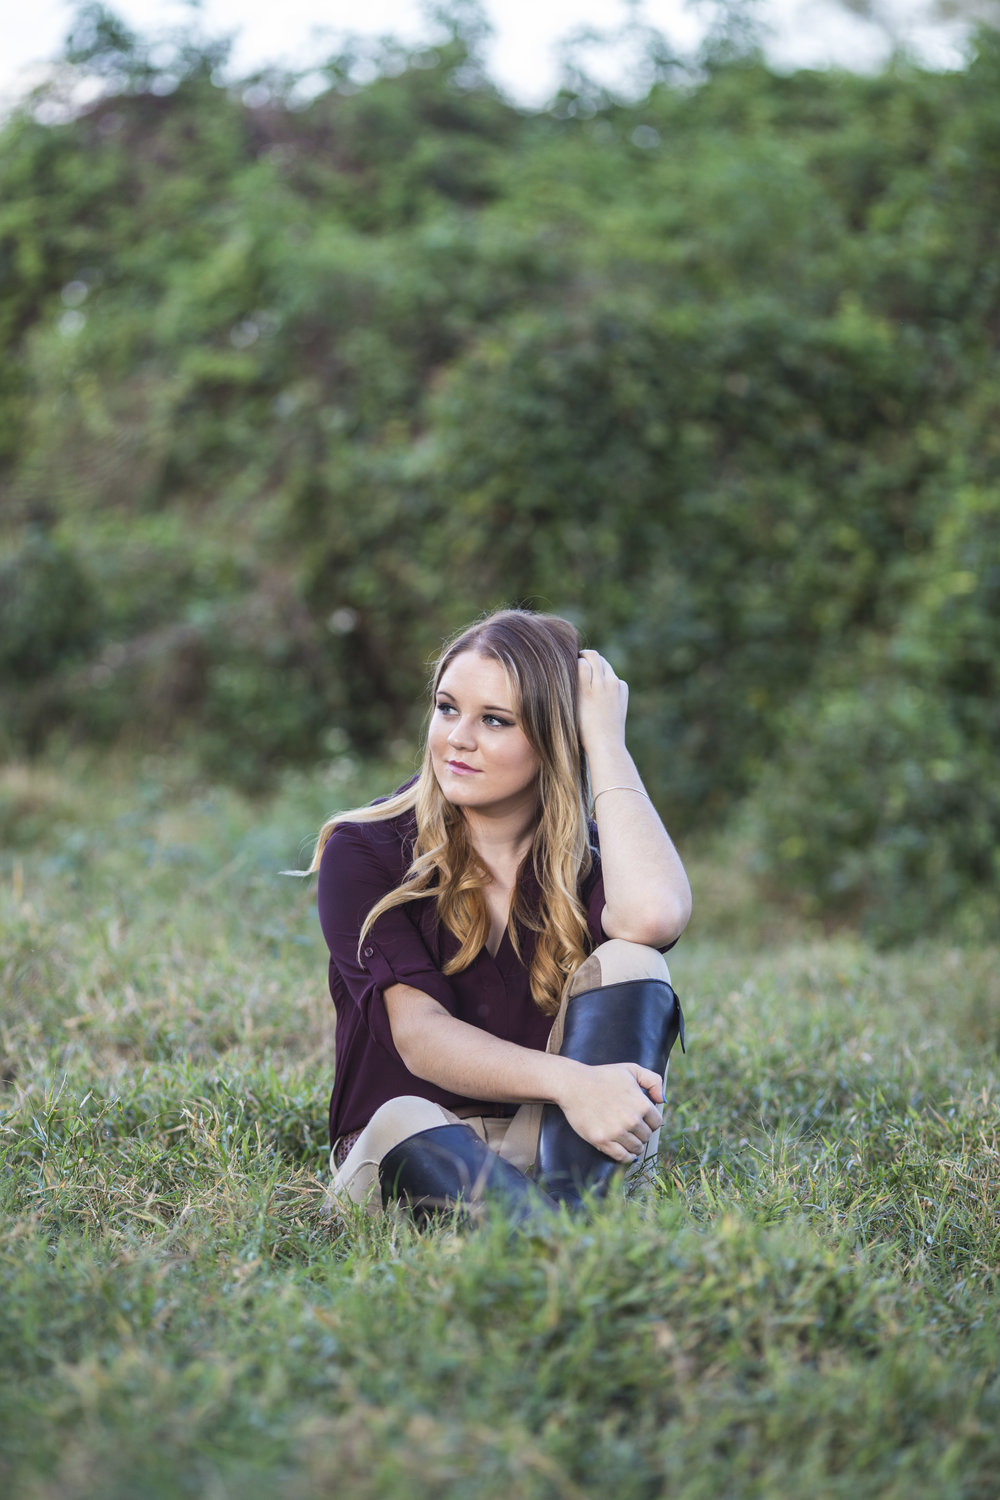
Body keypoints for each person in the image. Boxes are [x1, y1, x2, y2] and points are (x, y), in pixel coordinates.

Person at [311, 608, 692, 1221]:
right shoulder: (366, 850)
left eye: (495, 720)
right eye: (447, 708)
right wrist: (572, 1083)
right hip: (414, 1147)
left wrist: (606, 744)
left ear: (554, 737)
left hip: (558, 1142)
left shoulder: (592, 861)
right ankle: (568, 1236)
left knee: (633, 959)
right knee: (403, 1116)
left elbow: (654, 916)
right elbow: (421, 1037)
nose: (457, 739)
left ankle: (560, 1219)